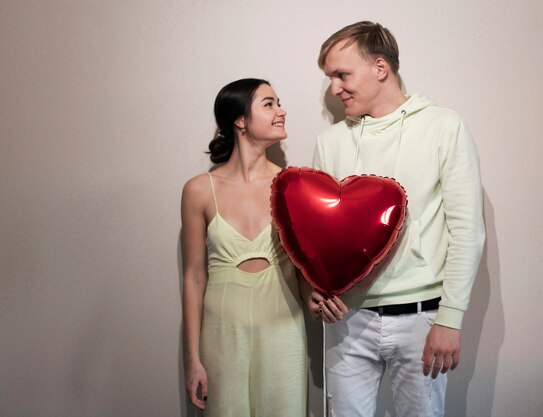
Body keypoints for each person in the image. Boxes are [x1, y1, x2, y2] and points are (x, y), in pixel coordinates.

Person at [301, 22, 486, 416]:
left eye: (342, 75)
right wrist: (315, 290)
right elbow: (316, 237)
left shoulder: (443, 126)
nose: (335, 88)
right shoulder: (329, 143)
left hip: (421, 320)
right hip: (345, 323)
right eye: (331, 78)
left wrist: (450, 320)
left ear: (380, 68)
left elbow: (467, 231)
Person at [181, 78, 307, 417]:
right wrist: (192, 360)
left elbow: (307, 268)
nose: (281, 111)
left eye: (278, 103)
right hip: (224, 330)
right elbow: (193, 277)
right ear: (240, 120)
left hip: (284, 327)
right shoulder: (199, 190)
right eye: (269, 104)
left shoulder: (293, 185)